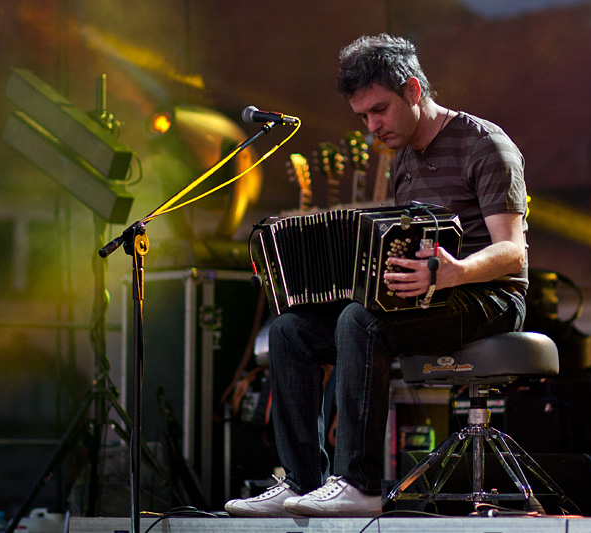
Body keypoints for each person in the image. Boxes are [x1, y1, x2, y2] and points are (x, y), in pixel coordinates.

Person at [224, 33, 529, 518]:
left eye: (379, 110)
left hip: (486, 298)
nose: (372, 126)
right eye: (363, 116)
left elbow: (513, 253)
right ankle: (298, 481)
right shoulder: (404, 156)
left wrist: (453, 273)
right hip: (426, 296)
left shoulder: (485, 144)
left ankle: (359, 484)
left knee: (358, 321)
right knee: (288, 331)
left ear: (412, 90)